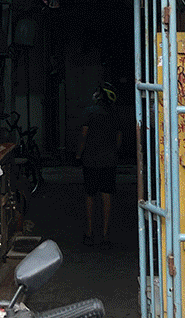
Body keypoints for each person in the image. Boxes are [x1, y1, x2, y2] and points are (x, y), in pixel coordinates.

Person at [76, 82, 122, 247]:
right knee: (106, 194)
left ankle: (89, 232)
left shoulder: (89, 112)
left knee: (90, 195)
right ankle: (105, 234)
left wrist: (78, 154)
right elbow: (118, 139)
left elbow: (84, 135)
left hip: (90, 160)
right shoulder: (115, 114)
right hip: (109, 160)